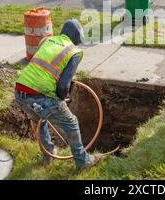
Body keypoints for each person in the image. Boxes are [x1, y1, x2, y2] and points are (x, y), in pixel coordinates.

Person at [14, 19, 105, 168]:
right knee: (71, 123)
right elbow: (63, 86)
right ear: (76, 36)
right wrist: (62, 99)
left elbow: (43, 70)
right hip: (39, 96)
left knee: (40, 121)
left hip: (20, 92)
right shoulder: (74, 52)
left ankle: (48, 155)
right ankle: (83, 162)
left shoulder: (47, 41)